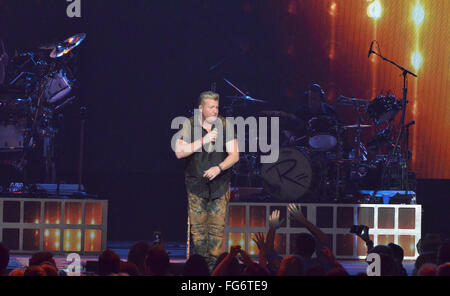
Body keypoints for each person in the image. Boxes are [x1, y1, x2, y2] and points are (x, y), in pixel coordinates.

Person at [175, 91, 239, 270]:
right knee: (199, 233)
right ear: (201, 108)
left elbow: (234, 155)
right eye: (211, 107)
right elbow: (179, 153)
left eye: (217, 107)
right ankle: (200, 272)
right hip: (196, 186)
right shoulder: (189, 125)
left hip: (219, 186)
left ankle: (214, 272)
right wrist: (203, 140)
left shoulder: (225, 125)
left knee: (217, 233)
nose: (215, 111)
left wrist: (219, 168)